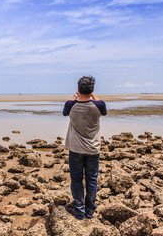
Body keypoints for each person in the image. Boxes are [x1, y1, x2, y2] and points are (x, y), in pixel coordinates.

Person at [62, 76, 107, 220]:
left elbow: (65, 111)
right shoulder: (99, 105)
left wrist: (76, 95)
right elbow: (102, 107)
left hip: (76, 149)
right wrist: (92, 94)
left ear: (79, 89)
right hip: (93, 149)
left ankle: (79, 209)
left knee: (76, 179)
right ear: (92, 89)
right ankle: (90, 210)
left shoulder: (70, 105)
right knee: (91, 179)